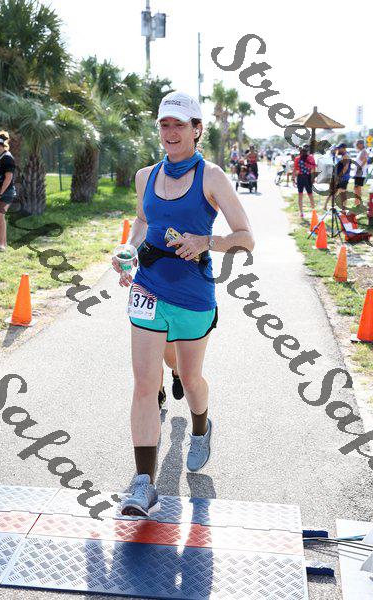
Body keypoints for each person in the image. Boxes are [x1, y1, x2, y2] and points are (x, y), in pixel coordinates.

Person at [111, 91, 254, 517]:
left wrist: (207, 241)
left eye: (179, 124)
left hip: (193, 294)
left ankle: (200, 426)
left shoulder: (212, 177)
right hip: (148, 288)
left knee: (190, 379)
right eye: (164, 124)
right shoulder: (145, 176)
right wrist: (127, 250)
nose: (170, 132)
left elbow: (246, 238)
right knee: (144, 383)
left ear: (196, 130)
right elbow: (142, 222)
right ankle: (143, 484)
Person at [292, 144, 316, 218]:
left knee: (301, 195)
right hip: (307, 177)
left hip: (301, 177)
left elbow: (295, 169)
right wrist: (313, 178)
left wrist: (293, 178)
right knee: (310, 195)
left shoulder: (298, 158)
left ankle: (302, 212)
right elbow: (313, 169)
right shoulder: (310, 158)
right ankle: (313, 212)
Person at [334, 143, 351, 210]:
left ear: (344, 148)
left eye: (339, 148)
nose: (338, 149)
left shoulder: (346, 156)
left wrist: (340, 176)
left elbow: (345, 168)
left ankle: (343, 209)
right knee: (337, 192)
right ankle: (340, 208)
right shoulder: (342, 155)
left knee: (342, 193)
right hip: (340, 177)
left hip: (343, 177)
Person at [353, 139, 368, 206]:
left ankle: (358, 204)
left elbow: (365, 160)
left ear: (361, 144)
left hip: (360, 174)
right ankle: (357, 203)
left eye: (357, 144)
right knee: (356, 189)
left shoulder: (364, 151)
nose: (356, 145)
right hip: (358, 174)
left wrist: (360, 168)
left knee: (357, 189)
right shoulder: (361, 151)